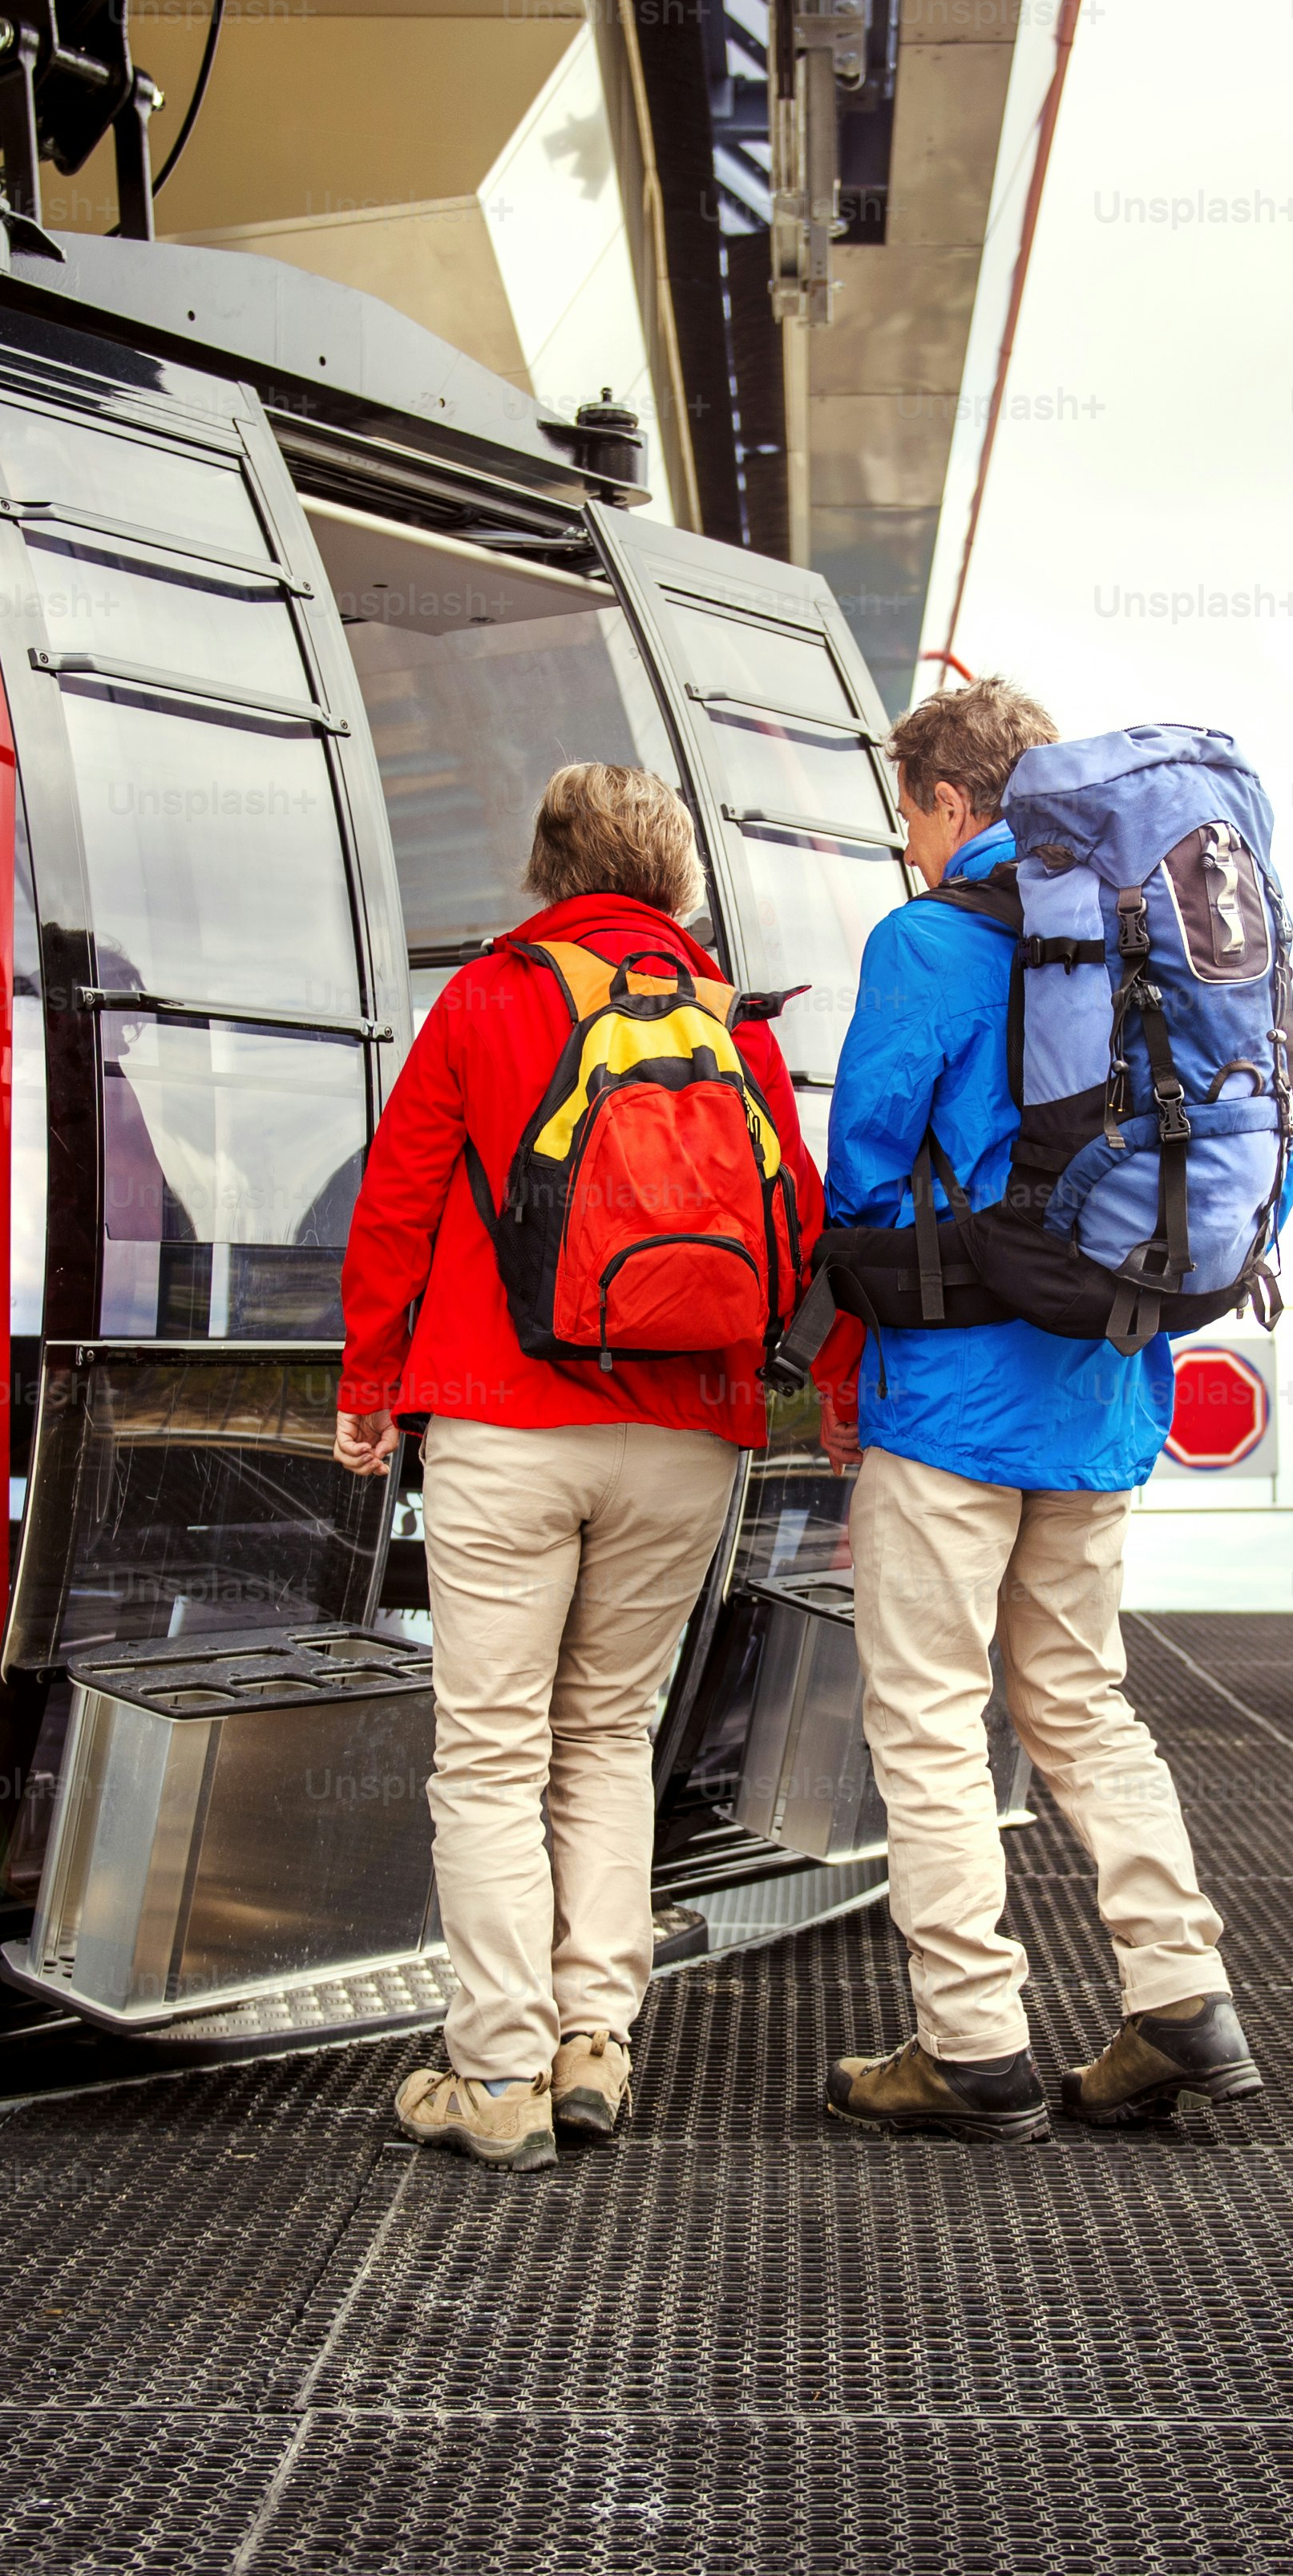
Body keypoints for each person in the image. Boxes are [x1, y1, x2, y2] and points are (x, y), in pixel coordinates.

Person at [809, 677, 1288, 2141]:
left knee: (933, 1718)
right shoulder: (1164, 948)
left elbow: (864, 1172)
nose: (907, 847)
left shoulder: (929, 940)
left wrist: (857, 1349)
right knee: (1083, 1704)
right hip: (1100, 1399)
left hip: (950, 1409)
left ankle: (970, 2045)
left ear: (955, 806)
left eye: (911, 818)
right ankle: (1178, 1999)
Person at [335, 762, 818, 2171]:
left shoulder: (485, 998)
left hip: (504, 1422)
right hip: (687, 1436)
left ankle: (497, 2074)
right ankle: (595, 2041)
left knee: (490, 1753)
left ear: (548, 871)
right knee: (609, 1734)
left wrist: (371, 1387)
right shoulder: (733, 1024)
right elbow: (795, 1228)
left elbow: (399, 1206)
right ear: (671, 880)